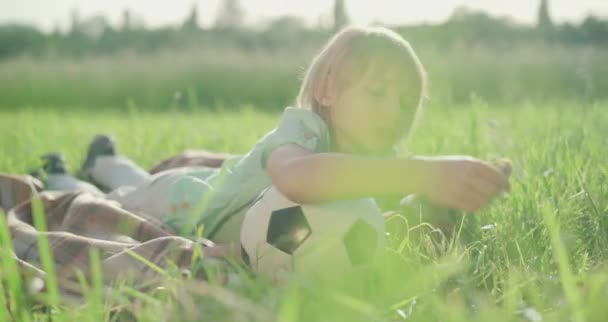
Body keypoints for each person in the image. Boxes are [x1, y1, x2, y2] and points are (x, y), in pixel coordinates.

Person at [79, 26, 509, 246]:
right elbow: (297, 179)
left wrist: (454, 195)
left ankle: (107, 165)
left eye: (406, 101)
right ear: (326, 90)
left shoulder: (379, 163)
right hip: (187, 204)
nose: (394, 112)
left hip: (237, 221)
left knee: (130, 184)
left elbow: (387, 215)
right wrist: (421, 173)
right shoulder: (304, 129)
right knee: (119, 196)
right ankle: (86, 168)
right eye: (377, 93)